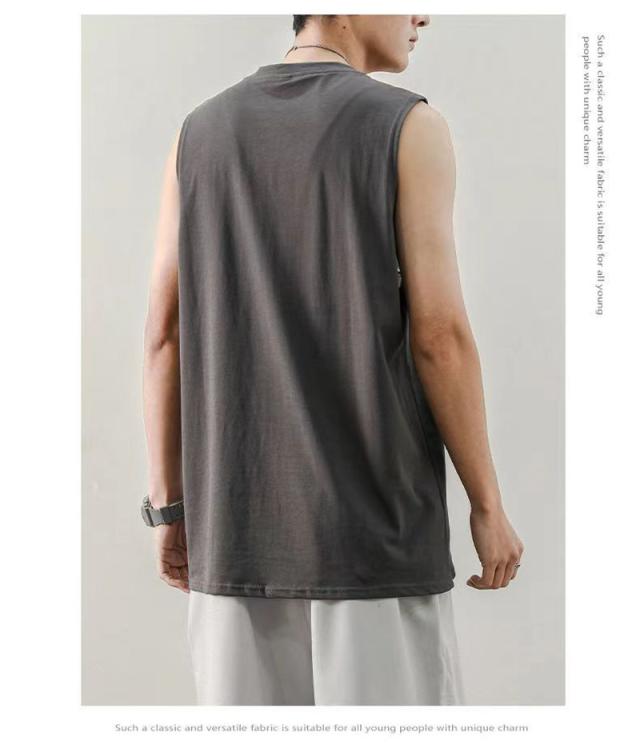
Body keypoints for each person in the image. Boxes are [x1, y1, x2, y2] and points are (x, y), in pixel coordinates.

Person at [142, 14, 524, 706]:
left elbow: (163, 334)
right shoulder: (408, 127)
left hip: (234, 539)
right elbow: (439, 335)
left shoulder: (196, 134)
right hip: (373, 544)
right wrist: (486, 504)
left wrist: (170, 506)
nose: (422, 14)